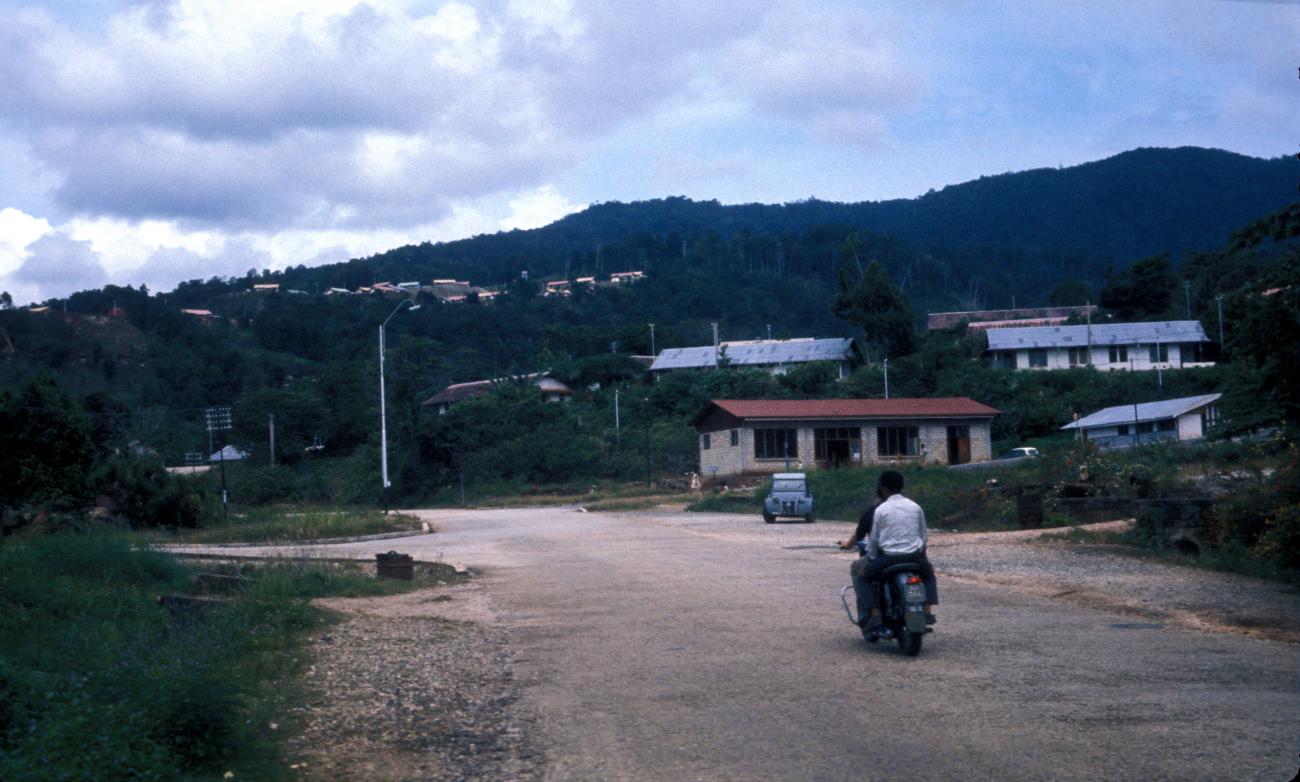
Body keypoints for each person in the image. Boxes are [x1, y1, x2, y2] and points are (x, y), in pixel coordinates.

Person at [850, 470, 938, 634]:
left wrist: (872, 558)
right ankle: (927, 611)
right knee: (929, 574)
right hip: (914, 557)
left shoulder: (881, 510)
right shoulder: (915, 506)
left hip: (889, 558)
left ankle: (875, 615)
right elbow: (923, 536)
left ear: (883, 488)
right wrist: (921, 554)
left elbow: (874, 540)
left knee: (864, 577)